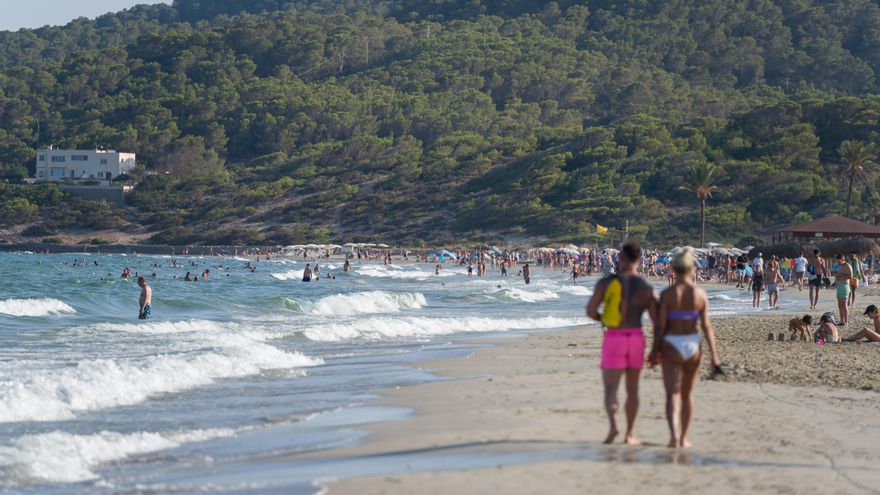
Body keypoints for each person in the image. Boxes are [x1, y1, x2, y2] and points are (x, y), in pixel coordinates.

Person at [586, 241, 658, 445]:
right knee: (633, 390)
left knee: (611, 390)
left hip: (615, 337)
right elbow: (657, 322)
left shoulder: (606, 283)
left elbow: (590, 310)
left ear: (621, 258)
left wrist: (604, 319)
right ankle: (630, 434)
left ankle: (614, 426)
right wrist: (655, 350)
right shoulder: (646, 287)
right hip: (636, 338)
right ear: (639, 260)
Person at [649, 247, 721, 448]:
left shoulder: (668, 294)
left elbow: (660, 326)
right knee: (687, 394)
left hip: (672, 342)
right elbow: (706, 326)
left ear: (673, 269)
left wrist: (655, 351)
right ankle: (685, 438)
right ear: (691, 269)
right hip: (692, 344)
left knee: (672, 393)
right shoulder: (699, 294)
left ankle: (673, 436)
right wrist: (714, 355)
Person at [834, 254, 853, 326]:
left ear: (842, 259)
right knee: (839, 305)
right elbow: (839, 276)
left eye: (839, 261)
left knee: (844, 305)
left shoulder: (848, 265)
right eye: (837, 261)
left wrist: (841, 275)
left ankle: (846, 321)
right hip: (839, 286)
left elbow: (851, 276)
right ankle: (842, 321)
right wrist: (837, 276)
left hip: (845, 286)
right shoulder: (841, 266)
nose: (838, 263)